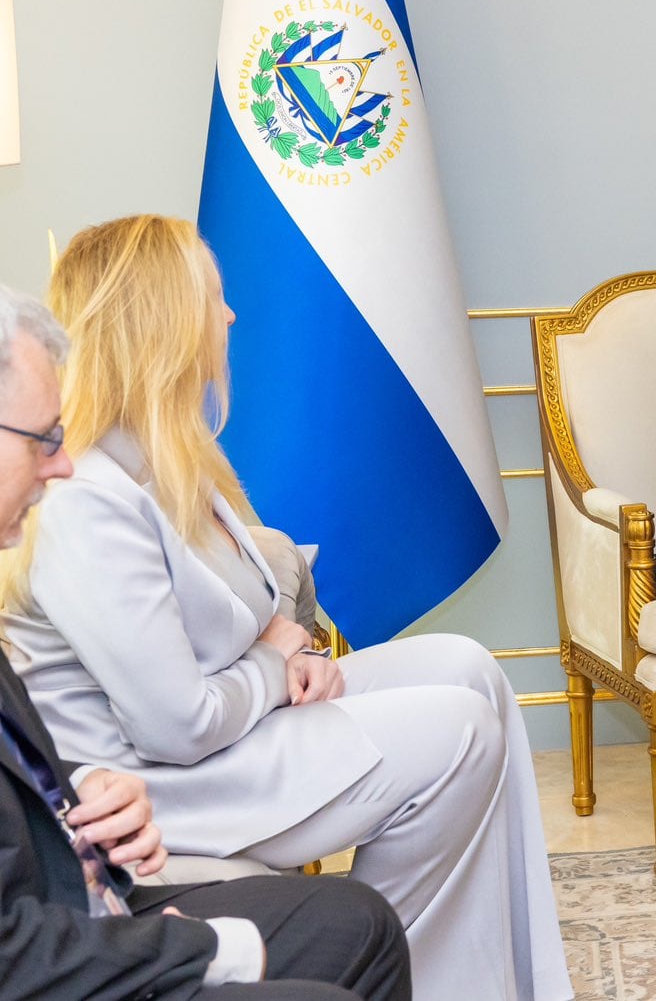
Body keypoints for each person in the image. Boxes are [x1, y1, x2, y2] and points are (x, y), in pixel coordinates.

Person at [0, 219, 570, 1001]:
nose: (230, 317)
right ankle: (405, 972)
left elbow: (260, 605)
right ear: (164, 320)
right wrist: (274, 660)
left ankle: (505, 983)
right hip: (167, 785)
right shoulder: (88, 497)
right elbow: (179, 722)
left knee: (469, 670)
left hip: (229, 732)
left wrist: (289, 651)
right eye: (214, 297)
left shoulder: (167, 452)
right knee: (459, 734)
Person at [0, 281, 411, 999]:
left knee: (360, 923)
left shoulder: (161, 465)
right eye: (45, 440)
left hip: (87, 902)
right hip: (54, 951)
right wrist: (207, 946)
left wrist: (84, 793)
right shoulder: (91, 505)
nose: (62, 465)